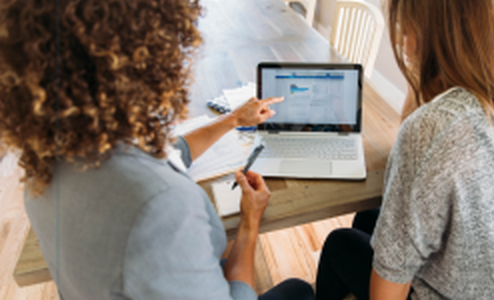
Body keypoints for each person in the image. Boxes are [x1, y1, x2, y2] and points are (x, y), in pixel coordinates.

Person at [0, 1, 314, 300]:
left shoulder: (47, 160)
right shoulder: (160, 205)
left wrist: (232, 120)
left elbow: (172, 152)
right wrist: (250, 221)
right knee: (299, 290)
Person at [315, 0, 494, 299]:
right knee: (369, 218)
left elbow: (386, 295)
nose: (403, 41)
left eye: (408, 27)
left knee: (340, 244)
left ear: (435, 33)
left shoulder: (436, 126)